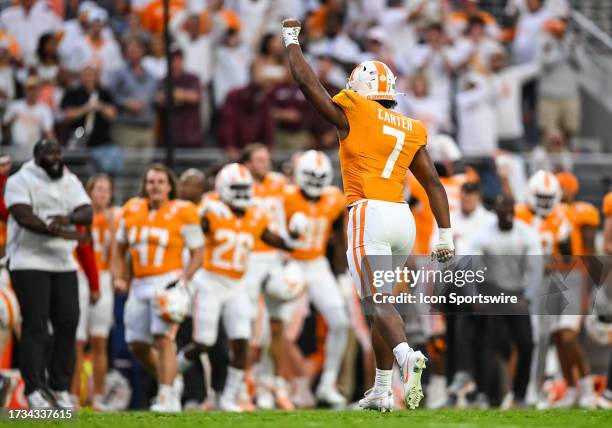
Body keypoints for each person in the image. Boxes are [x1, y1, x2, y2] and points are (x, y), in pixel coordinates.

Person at [281, 19, 453, 411]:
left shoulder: (354, 109)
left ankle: (407, 357)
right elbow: (434, 185)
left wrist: (292, 41)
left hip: (368, 213)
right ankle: (380, 389)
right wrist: (445, 234)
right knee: (382, 304)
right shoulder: (409, 126)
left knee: (375, 303)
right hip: (403, 219)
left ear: (357, 89)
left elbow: (309, 86)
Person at [177, 163, 298, 412]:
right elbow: (195, 230)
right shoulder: (211, 210)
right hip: (210, 281)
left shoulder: (255, 213)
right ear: (223, 189)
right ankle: (171, 375)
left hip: (238, 285)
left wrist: (291, 241)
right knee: (203, 341)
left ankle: (231, 396)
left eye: (245, 188)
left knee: (242, 340)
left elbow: (269, 237)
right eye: (237, 189)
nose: (242, 194)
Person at [4, 140, 93, 409]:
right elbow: (24, 218)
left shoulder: (69, 178)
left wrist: (66, 220)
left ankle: (58, 387)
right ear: (36, 156)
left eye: (57, 153)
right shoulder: (20, 179)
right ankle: (34, 389)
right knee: (36, 324)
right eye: (48, 154)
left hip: (63, 261)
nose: (54, 158)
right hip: (28, 260)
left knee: (69, 321)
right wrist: (69, 233)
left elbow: (86, 212)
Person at [111, 164, 204, 412]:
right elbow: (118, 250)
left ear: (170, 186)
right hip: (140, 282)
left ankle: (166, 395)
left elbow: (198, 253)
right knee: (136, 343)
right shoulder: (131, 209)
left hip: (167, 280)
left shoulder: (184, 212)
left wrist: (184, 278)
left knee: (163, 338)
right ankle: (172, 382)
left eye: (161, 182)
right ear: (145, 185)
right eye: (151, 182)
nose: (155, 186)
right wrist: (119, 277)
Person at [273, 150, 349, 406]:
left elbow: (340, 238)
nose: (315, 181)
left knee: (340, 322)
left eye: (320, 177)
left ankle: (327, 384)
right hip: (289, 262)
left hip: (317, 265)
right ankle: (278, 383)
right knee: (279, 328)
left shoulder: (334, 198)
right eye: (310, 175)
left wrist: (341, 273)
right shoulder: (284, 197)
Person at [468, 194, 542, 408]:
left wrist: (527, 297)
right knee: (490, 344)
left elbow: (534, 269)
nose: (507, 215)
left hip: (517, 294)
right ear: (496, 213)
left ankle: (519, 395)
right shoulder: (483, 235)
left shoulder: (527, 234)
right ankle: (484, 394)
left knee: (526, 343)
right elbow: (471, 266)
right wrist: (475, 297)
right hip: (493, 291)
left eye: (510, 210)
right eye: (503, 211)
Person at [71, 174, 118, 410]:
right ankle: (72, 396)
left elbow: (119, 251)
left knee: (100, 340)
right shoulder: (80, 215)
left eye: (106, 190)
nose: (102, 195)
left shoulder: (115, 217)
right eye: (98, 189)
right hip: (80, 276)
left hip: (105, 276)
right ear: (89, 191)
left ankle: (98, 396)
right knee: (77, 340)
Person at [61, 64, 121, 175]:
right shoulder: (73, 93)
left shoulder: (104, 93)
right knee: (78, 173)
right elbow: (67, 115)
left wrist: (100, 106)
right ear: (81, 76)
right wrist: (86, 108)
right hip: (78, 140)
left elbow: (113, 114)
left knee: (108, 168)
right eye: (86, 75)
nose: (89, 78)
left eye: (92, 75)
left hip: (101, 143)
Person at [3, 76, 55, 148]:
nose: (32, 92)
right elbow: (4, 127)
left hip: (35, 149)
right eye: (29, 89)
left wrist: (52, 146)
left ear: (39, 91)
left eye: (34, 89)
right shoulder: (14, 106)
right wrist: (10, 121)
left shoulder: (44, 108)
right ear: (24, 90)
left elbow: (49, 131)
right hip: (15, 147)